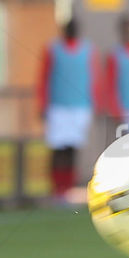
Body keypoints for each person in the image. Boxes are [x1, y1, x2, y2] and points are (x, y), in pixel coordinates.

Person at [37, 18, 95, 201]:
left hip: (80, 107)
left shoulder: (87, 50)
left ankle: (68, 188)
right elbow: (43, 78)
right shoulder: (53, 49)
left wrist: (94, 102)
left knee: (72, 148)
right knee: (58, 149)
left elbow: (93, 78)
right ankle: (57, 188)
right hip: (58, 107)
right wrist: (42, 104)